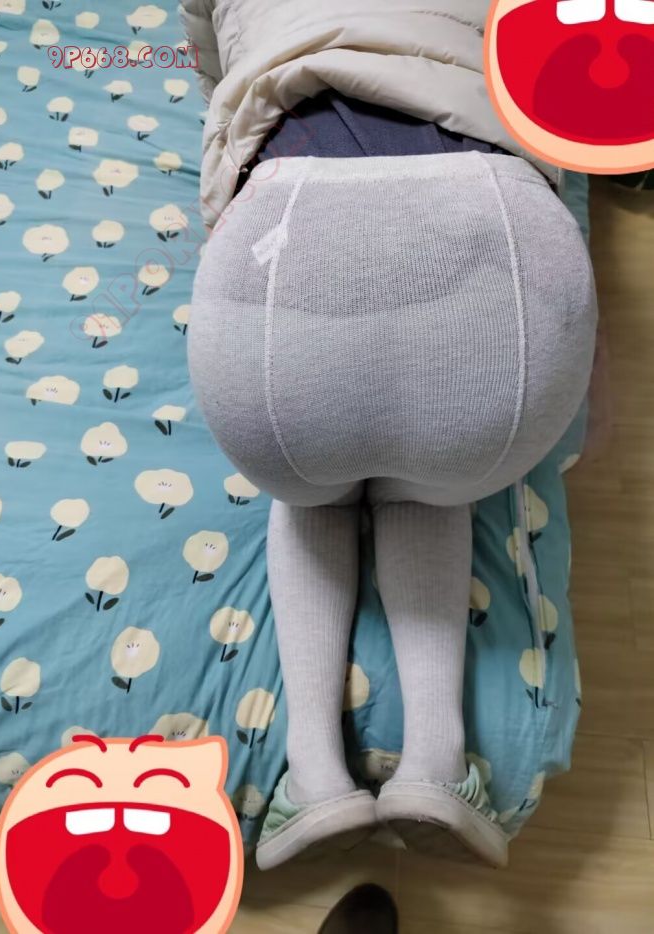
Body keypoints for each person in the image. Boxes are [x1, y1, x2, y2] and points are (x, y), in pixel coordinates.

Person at [182, 0, 598, 871]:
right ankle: (436, 764)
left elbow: (211, 67)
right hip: (503, 251)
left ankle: (314, 775)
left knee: (309, 493)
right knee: (435, 489)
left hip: (287, 235)